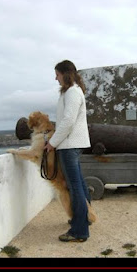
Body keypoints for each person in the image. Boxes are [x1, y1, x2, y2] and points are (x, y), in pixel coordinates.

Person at [43, 60, 92, 242]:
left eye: (57, 74)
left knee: (74, 187)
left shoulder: (72, 92)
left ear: (65, 73)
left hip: (69, 145)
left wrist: (52, 143)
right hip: (70, 144)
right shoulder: (72, 92)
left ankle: (79, 230)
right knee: (78, 183)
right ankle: (86, 218)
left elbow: (68, 121)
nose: (55, 78)